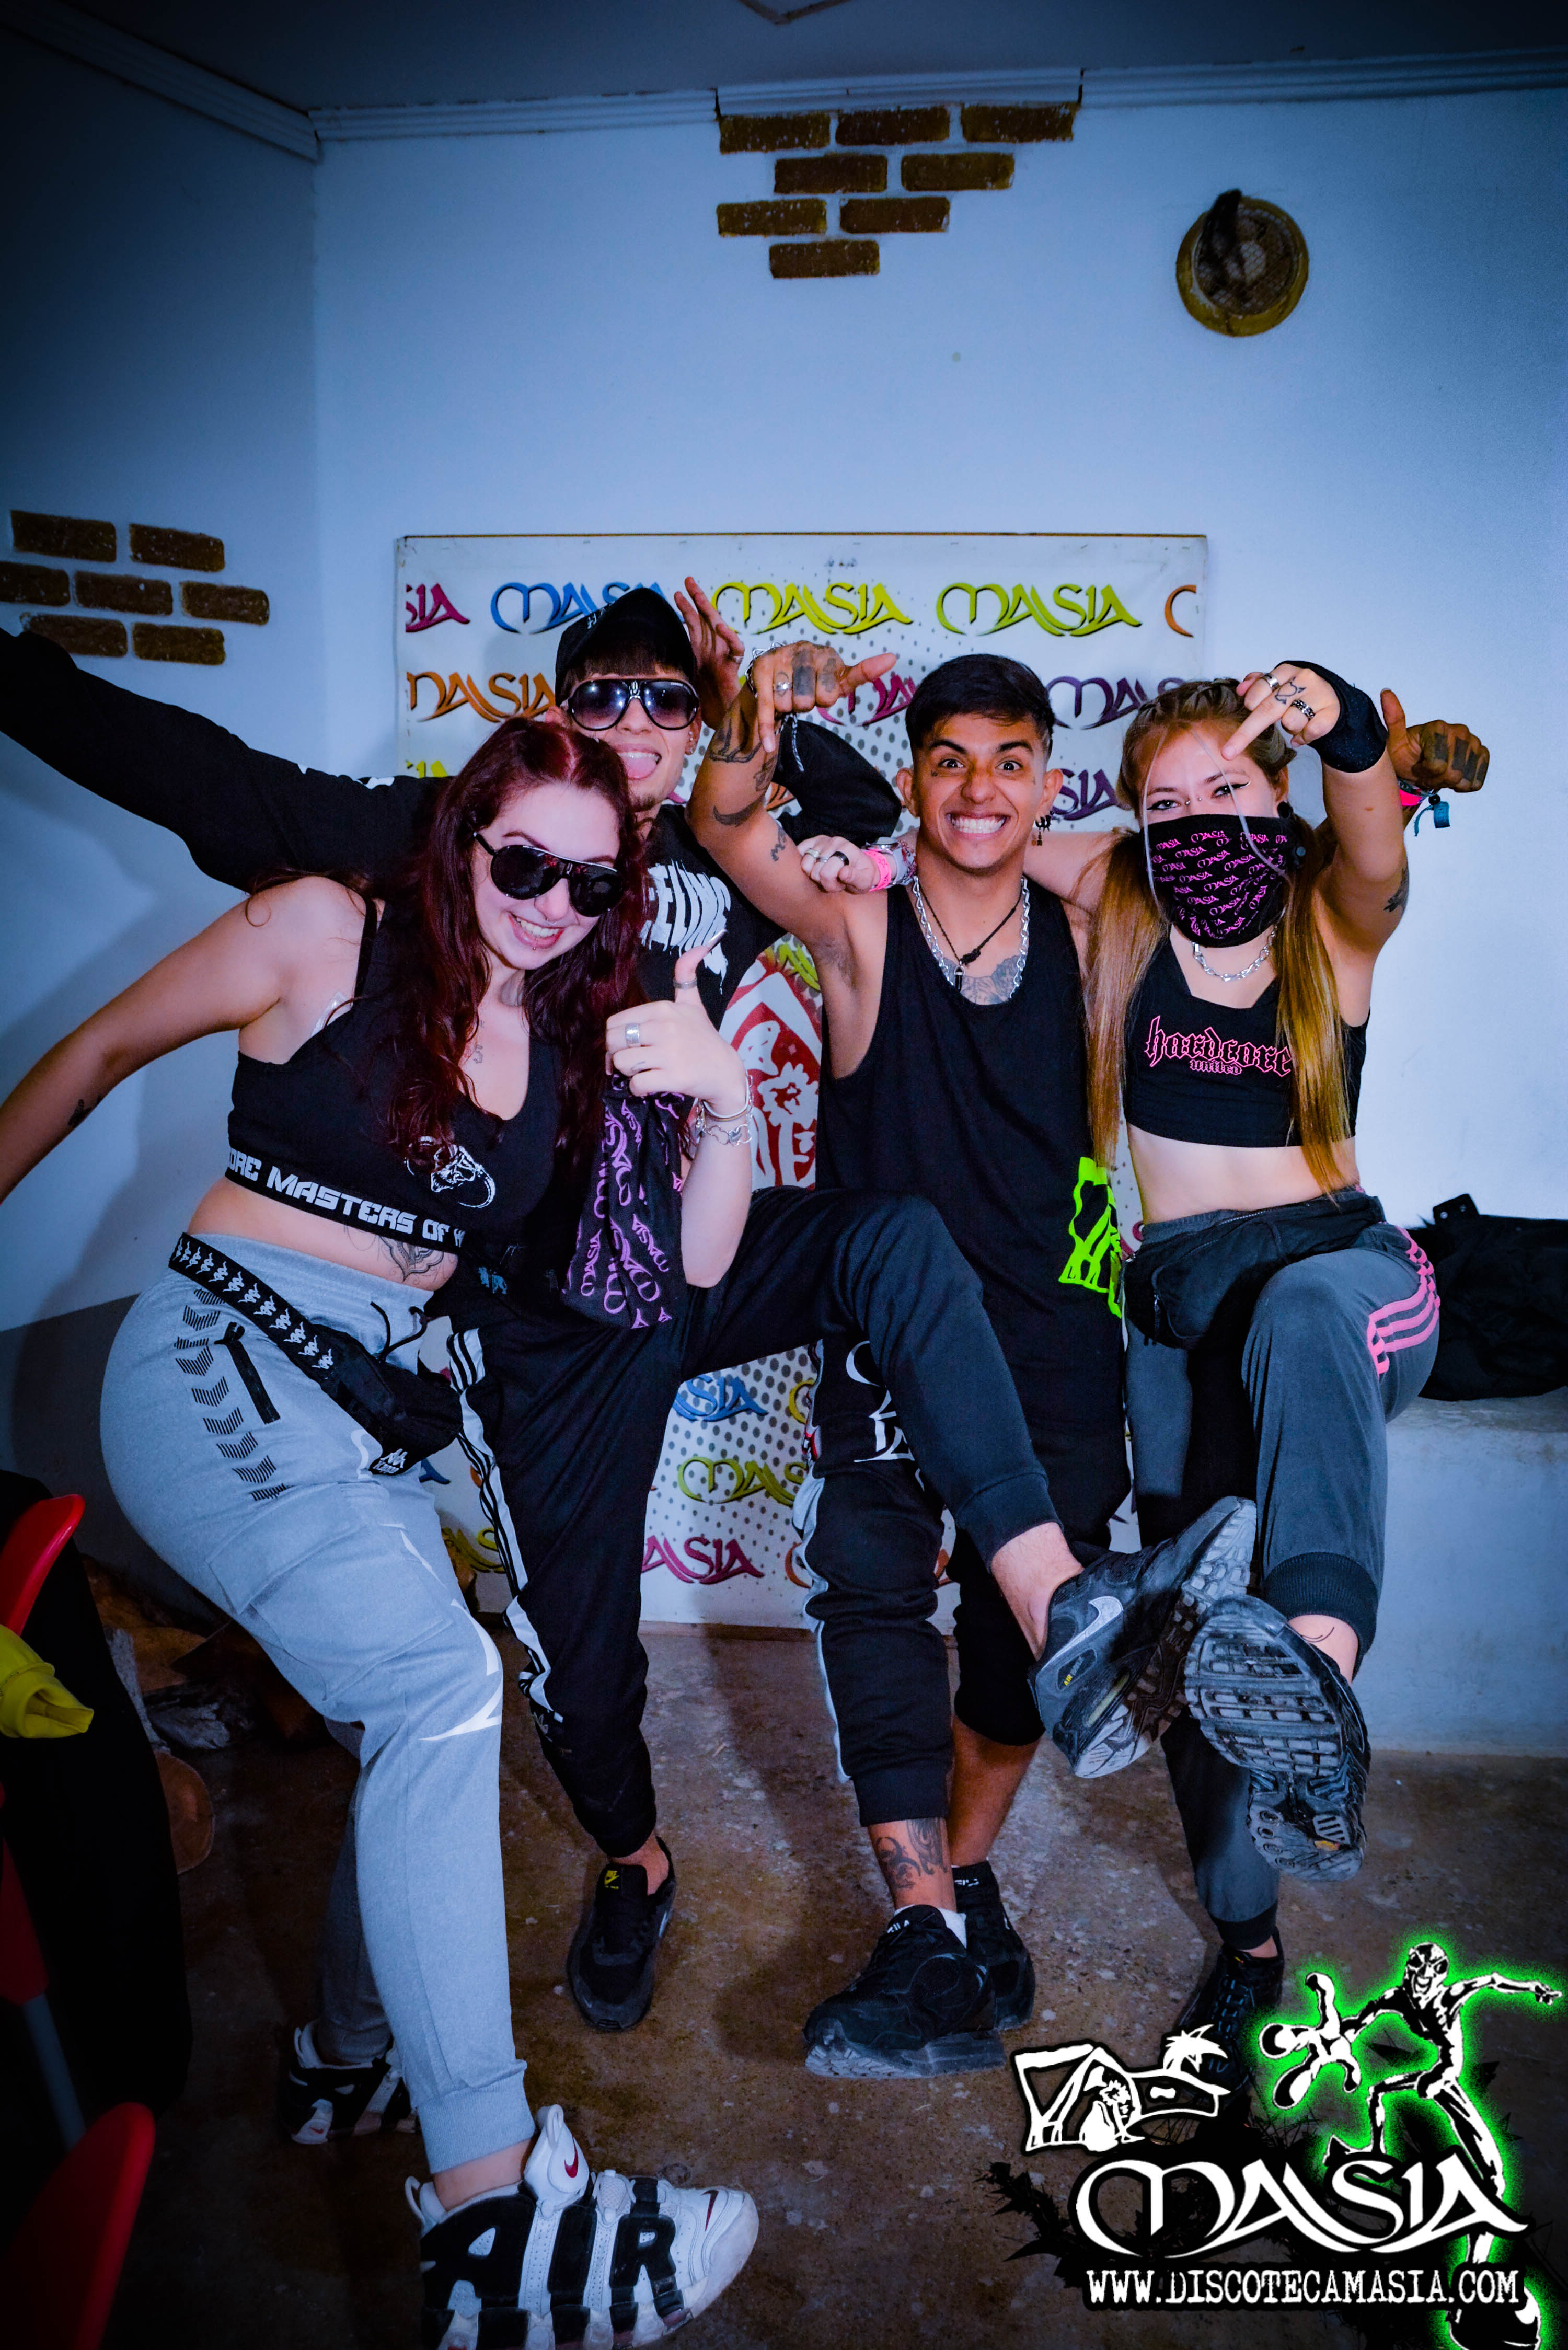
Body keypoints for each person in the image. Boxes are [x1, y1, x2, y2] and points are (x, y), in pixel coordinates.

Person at [0, 593, 1211, 2092]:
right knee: (581, 1682)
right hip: (556, 1327)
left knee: (894, 1235)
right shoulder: (470, 839)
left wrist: (761, 725)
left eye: (667, 701)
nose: (636, 726)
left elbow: (863, 806)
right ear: (552, 717)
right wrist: (22, 682)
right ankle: (637, 1863)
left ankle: (1054, 1595)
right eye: (606, 697)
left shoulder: (724, 845)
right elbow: (217, 785)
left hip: (700, 1247)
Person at [0, 712, 764, 2344]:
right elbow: (91, 1062)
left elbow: (692, 1268)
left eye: (591, 883)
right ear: (462, 835)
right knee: (437, 1687)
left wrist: (729, 1106)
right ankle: (491, 2220)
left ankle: (348, 2051)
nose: (551, 905)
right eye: (523, 863)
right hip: (227, 1351)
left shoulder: (570, 1036)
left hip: (388, 1409)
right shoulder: (321, 933)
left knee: (427, 1713)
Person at [799, 663, 1485, 2082]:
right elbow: (973, 840)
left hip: (1339, 1271)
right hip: (1178, 1321)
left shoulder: (1328, 926)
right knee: (1199, 1652)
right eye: (1165, 804)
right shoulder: (1123, 907)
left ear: (1278, 795)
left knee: (1304, 1335)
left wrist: (1355, 730)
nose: (1198, 823)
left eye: (1228, 790)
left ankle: (1323, 1661)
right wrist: (852, 846)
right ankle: (1249, 1943)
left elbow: (1373, 844)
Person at [686, 645, 1260, 2080]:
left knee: (1021, 1653)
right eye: (950, 761)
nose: (980, 788)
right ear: (910, 777)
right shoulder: (857, 930)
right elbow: (728, 827)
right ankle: (925, 1924)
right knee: (873, 1599)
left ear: (1052, 782)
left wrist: (1004, 834)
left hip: (1059, 1347)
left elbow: (1173, 863)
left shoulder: (1101, 931)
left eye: (1012, 763)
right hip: (890, 1336)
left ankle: (972, 1874)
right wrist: (756, 729)